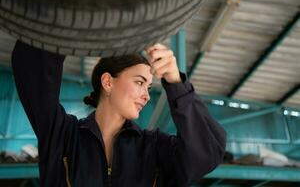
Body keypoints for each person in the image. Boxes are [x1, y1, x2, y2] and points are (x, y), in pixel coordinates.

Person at [12, 40, 226, 187]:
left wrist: (176, 83)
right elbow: (33, 72)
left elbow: (206, 154)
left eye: (149, 87)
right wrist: (66, 26)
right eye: (140, 82)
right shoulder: (61, 135)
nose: (147, 96)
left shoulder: (154, 148)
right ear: (108, 82)